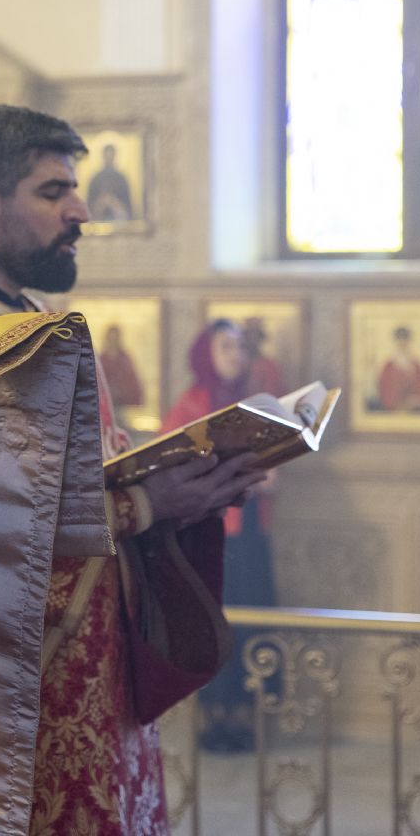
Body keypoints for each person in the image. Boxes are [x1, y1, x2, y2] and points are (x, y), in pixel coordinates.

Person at [0, 105, 263, 835]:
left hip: (86, 686)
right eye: (52, 191)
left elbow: (86, 473)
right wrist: (145, 506)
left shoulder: (35, 318)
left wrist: (187, 478)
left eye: (74, 189)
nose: (80, 211)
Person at [163, 319, 277, 753]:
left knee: (252, 621)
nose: (236, 355)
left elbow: (272, 465)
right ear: (205, 354)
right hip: (211, 533)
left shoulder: (255, 403)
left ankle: (246, 716)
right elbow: (169, 463)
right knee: (214, 624)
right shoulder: (191, 405)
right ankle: (214, 717)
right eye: (225, 347)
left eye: (240, 347)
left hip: (249, 534)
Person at [374, 325, 420, 412]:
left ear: (409, 342)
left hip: (415, 411)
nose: (402, 344)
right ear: (396, 342)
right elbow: (384, 392)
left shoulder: (416, 366)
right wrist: (399, 402)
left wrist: (418, 400)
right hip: (394, 411)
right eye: (400, 341)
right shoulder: (388, 366)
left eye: (405, 341)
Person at [84, 142, 134, 221]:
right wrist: (100, 204)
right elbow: (89, 207)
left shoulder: (121, 179)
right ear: (103, 156)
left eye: (111, 156)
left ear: (114, 156)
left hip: (119, 223)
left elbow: (128, 207)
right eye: (107, 156)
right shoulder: (96, 179)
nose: (109, 158)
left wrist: (114, 203)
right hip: (98, 222)